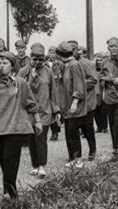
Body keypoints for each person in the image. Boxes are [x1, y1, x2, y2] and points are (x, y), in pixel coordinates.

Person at [0, 51, 42, 199]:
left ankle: (11, 195)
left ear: (12, 66)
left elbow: (30, 103)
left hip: (15, 128)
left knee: (11, 162)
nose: (1, 66)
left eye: (4, 63)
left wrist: (37, 121)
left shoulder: (21, 82)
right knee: (4, 164)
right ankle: (10, 193)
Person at [19, 43, 60, 177]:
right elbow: (20, 90)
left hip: (45, 111)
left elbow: (53, 92)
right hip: (29, 111)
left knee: (41, 138)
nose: (37, 62)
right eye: (35, 59)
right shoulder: (23, 72)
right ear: (30, 57)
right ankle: (35, 165)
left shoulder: (48, 72)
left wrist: (56, 111)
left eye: (40, 59)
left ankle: (42, 165)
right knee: (32, 139)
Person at [56, 42, 88, 168]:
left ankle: (78, 159)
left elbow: (79, 85)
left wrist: (75, 102)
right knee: (69, 132)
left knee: (73, 132)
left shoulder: (74, 65)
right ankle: (72, 158)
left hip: (74, 106)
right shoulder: (66, 65)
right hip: (67, 105)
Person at [70, 43, 98, 161]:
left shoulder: (87, 63)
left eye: (73, 50)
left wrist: (79, 86)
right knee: (73, 129)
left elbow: (93, 80)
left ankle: (92, 149)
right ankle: (76, 155)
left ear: (78, 51)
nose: (71, 52)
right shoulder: (68, 64)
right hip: (73, 102)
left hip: (87, 102)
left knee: (88, 128)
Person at [46, 45, 63, 141]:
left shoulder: (60, 64)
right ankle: (52, 130)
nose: (52, 54)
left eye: (54, 52)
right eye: (50, 51)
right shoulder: (45, 64)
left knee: (56, 110)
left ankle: (56, 132)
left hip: (57, 89)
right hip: (48, 89)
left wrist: (58, 77)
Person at [93, 52, 109, 133]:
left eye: (100, 60)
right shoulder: (92, 70)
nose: (99, 62)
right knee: (96, 110)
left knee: (103, 110)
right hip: (95, 92)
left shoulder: (105, 70)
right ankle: (99, 126)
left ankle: (105, 126)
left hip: (102, 91)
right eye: (97, 60)